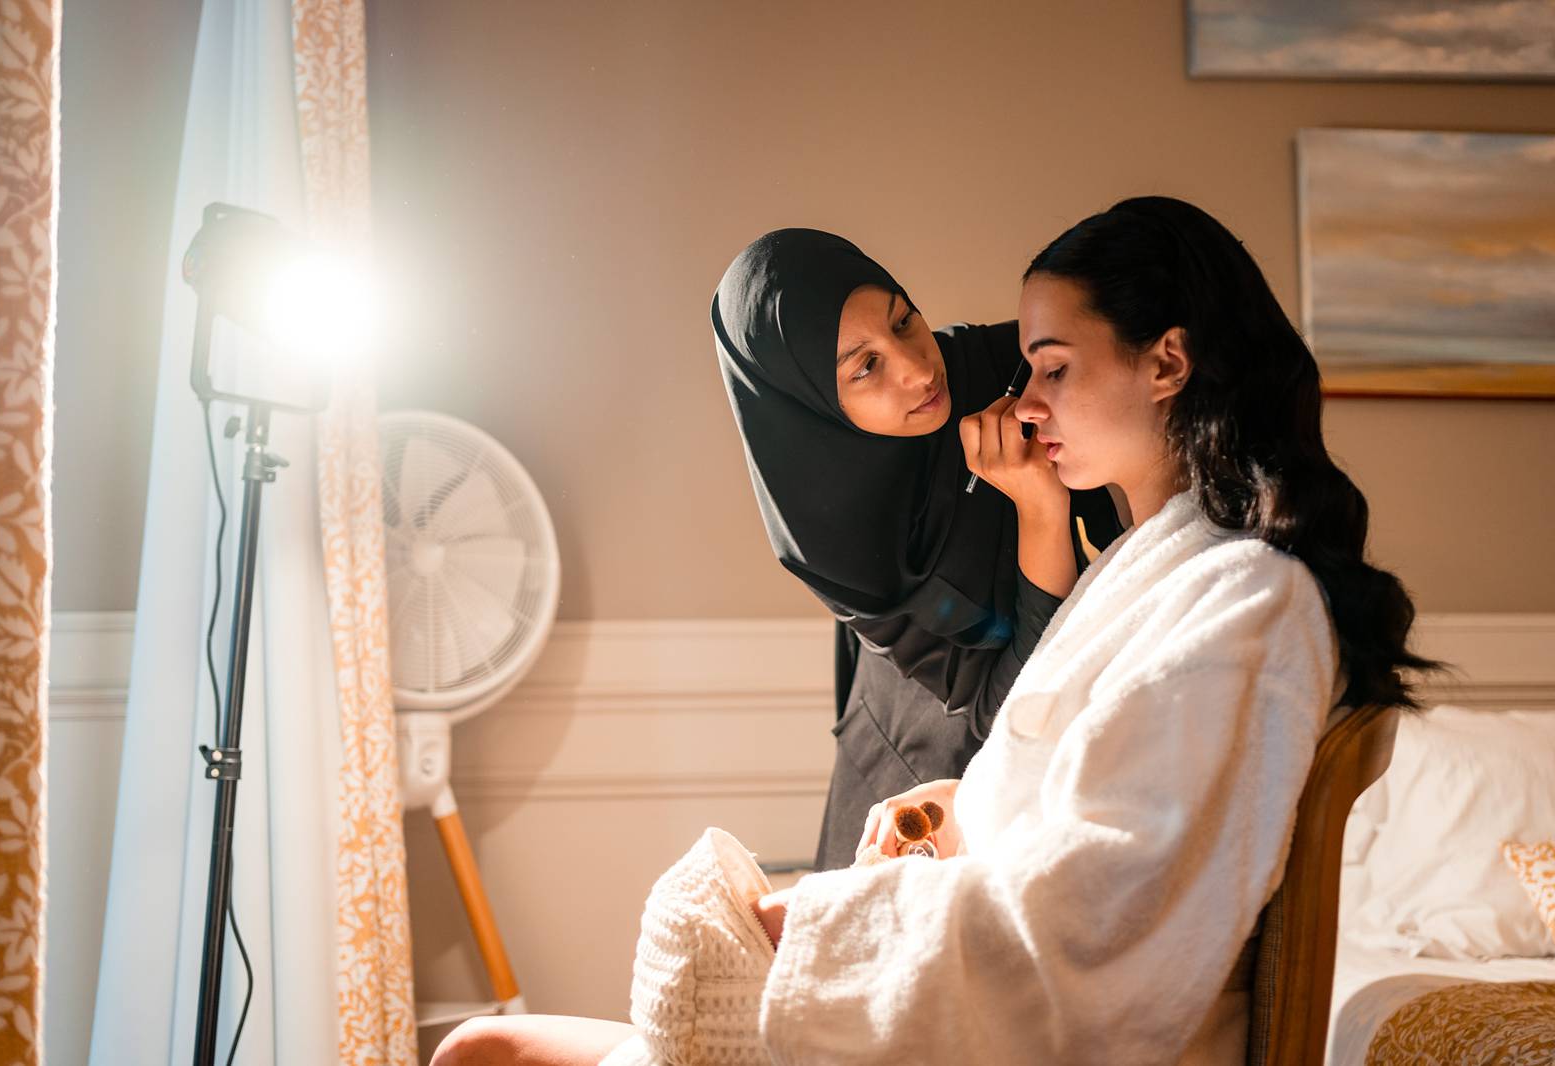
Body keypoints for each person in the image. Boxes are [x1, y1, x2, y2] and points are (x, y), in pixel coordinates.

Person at [431, 197, 1428, 1065]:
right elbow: (1096, 794)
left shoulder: (1239, 599)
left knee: (489, 1046)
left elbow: (1106, 916)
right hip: (919, 855)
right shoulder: (1162, 573)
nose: (1010, 395)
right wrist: (959, 807)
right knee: (485, 1044)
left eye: (1049, 367)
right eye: (864, 366)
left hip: (975, 985)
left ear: (1167, 360)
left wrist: (821, 923)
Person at [712, 228, 1123, 870]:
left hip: (1043, 754)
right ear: (814, 403)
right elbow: (1001, 707)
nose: (917, 369)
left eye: (903, 321)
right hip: (907, 769)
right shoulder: (829, 537)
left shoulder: (1003, 369)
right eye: (866, 366)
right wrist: (1041, 508)